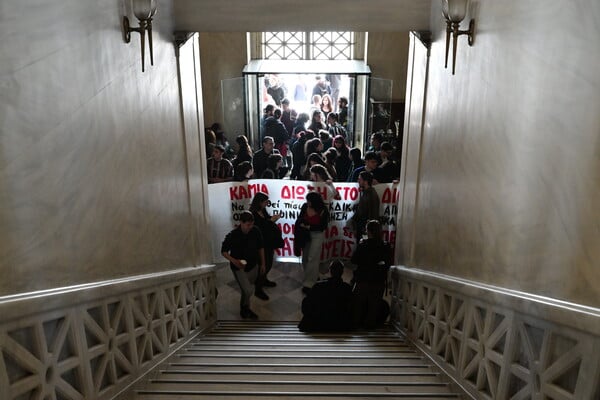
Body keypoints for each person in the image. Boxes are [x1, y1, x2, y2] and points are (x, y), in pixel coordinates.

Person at [221, 211, 266, 319]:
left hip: (253, 265)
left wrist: (263, 263)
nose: (250, 227)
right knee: (248, 290)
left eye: (252, 224)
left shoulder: (255, 231)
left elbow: (261, 247)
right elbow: (224, 251)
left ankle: (245, 307)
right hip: (239, 268)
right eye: (248, 225)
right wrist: (234, 261)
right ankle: (245, 308)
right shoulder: (233, 235)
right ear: (241, 222)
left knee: (247, 290)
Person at [351, 219, 392, 329]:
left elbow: (353, 260)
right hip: (378, 280)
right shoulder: (385, 245)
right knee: (374, 305)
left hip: (363, 279)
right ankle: (370, 326)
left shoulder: (363, 245)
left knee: (358, 305)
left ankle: (356, 325)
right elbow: (388, 262)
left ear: (368, 231)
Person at [298, 260, 353, 332]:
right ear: (342, 272)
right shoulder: (347, 288)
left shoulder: (318, 286)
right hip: (340, 325)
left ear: (330, 271)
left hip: (317, 325)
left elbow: (306, 305)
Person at [249, 192, 283, 301]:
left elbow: (267, 220)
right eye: (265, 202)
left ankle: (264, 279)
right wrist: (271, 221)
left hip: (268, 241)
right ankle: (258, 288)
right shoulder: (253, 213)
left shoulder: (262, 210)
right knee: (264, 264)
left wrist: (272, 218)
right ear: (259, 202)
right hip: (260, 243)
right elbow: (260, 227)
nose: (266, 204)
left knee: (269, 262)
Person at [295, 192, 329, 293]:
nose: (307, 203)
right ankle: (311, 275)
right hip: (306, 235)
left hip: (317, 235)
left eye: (309, 201)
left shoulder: (323, 210)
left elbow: (323, 226)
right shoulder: (305, 206)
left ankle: (309, 283)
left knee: (312, 258)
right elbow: (300, 218)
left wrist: (309, 226)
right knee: (305, 257)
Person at [348, 171, 380, 238]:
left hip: (365, 230)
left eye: (360, 179)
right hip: (363, 228)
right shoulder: (365, 193)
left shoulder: (371, 195)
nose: (358, 181)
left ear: (365, 181)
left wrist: (368, 231)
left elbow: (373, 214)